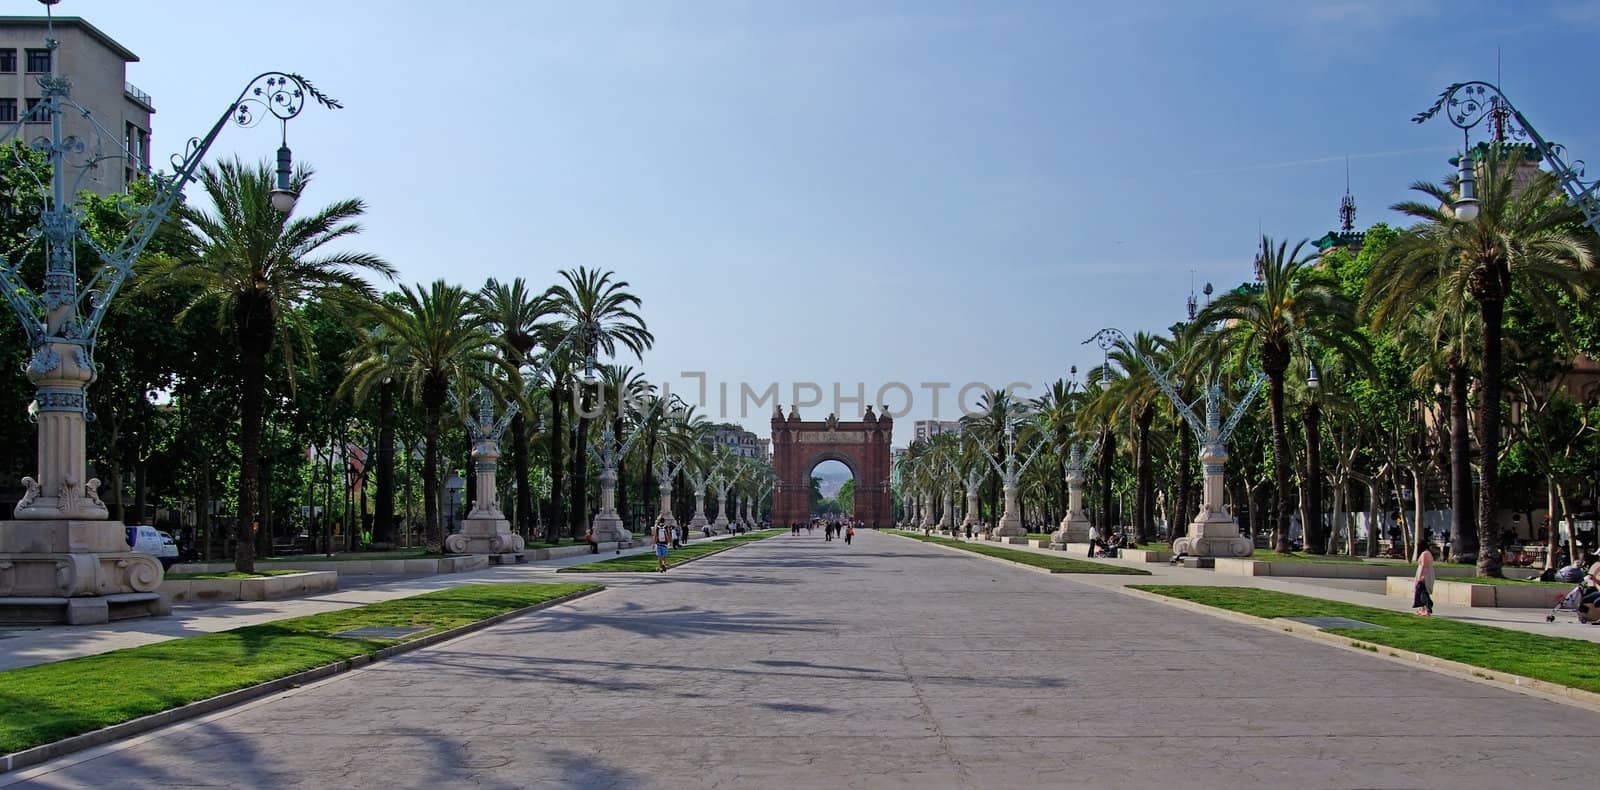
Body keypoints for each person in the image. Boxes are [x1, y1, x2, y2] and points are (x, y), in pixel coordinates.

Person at [1413, 544, 1436, 616]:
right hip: (1427, 574)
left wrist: (1419, 577)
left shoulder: (1424, 554)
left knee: (1422, 592)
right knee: (1422, 592)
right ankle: (1423, 609)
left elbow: (1423, 565)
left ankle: (1427, 608)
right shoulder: (1428, 553)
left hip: (1424, 575)